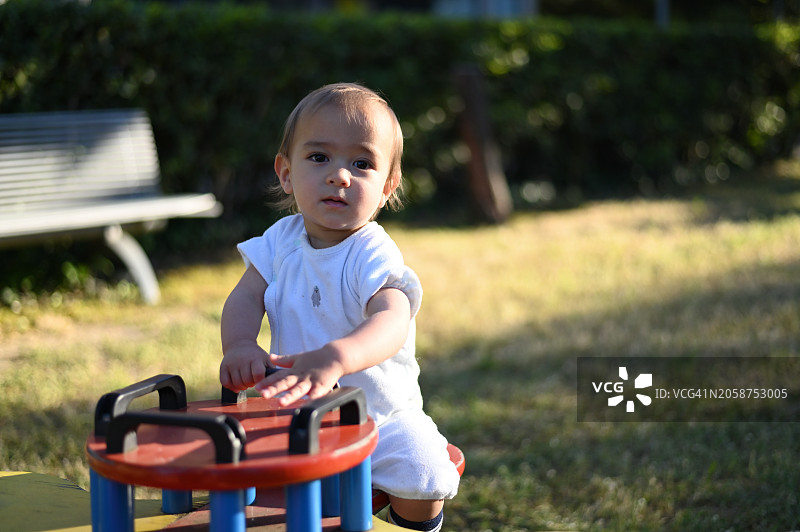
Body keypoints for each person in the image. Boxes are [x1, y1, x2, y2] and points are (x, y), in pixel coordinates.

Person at [219, 82, 460, 531]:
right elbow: (246, 296)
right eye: (319, 158)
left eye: (362, 163)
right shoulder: (279, 242)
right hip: (294, 414)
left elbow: (393, 316)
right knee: (241, 469)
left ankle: (415, 526)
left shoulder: (369, 251)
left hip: (380, 415)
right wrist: (238, 344)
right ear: (286, 173)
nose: (340, 175)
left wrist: (337, 358)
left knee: (425, 473)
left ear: (387, 186)